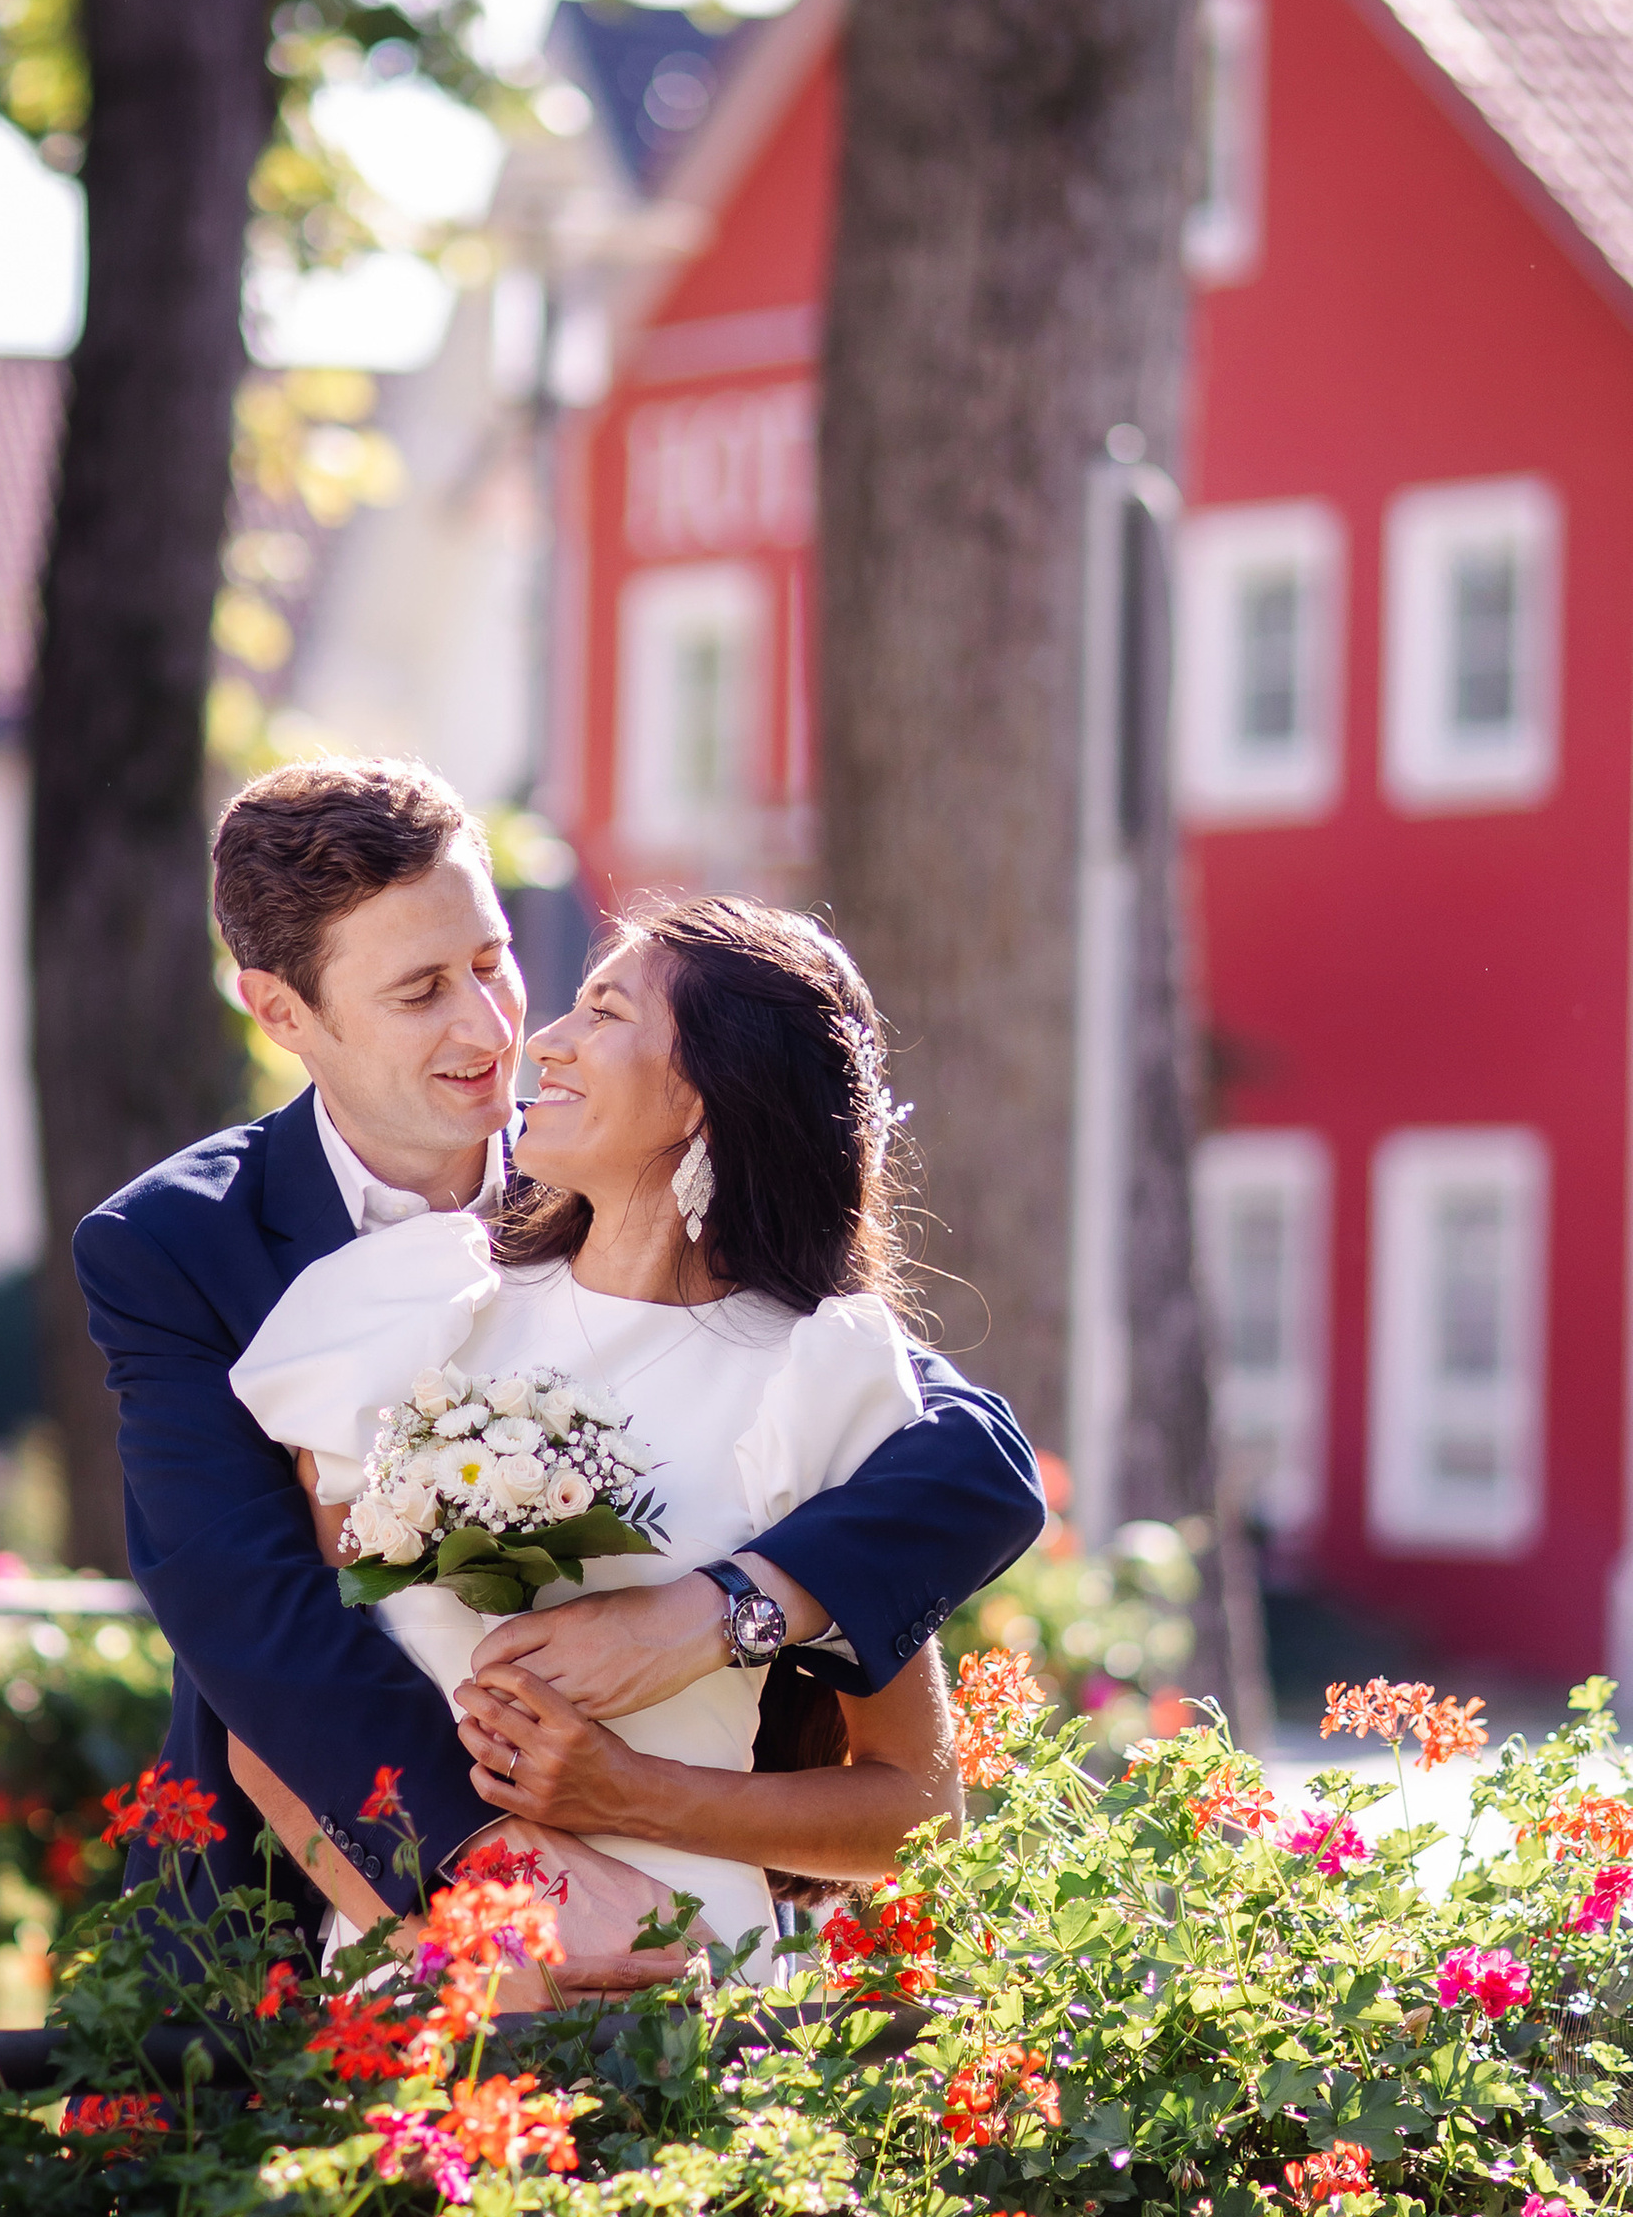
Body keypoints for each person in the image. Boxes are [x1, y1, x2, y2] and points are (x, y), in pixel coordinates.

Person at [72, 758, 1042, 1964]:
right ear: (282, 1013)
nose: (498, 1032)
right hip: (317, 1922)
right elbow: (262, 1630)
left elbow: (970, 1460)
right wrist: (520, 1914)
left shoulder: (635, 1189)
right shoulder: (179, 1248)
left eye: (491, 961)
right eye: (420, 990)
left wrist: (714, 1613)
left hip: (697, 1942)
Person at [224, 893, 962, 1979]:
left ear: (707, 1094)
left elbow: (916, 1811)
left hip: (691, 1985)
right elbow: (271, 1723)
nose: (545, 1043)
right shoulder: (409, 1307)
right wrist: (470, 1954)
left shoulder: (819, 1375)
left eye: (605, 1014)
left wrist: (634, 1794)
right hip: (423, 1989)